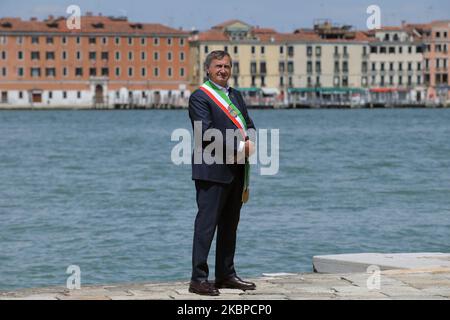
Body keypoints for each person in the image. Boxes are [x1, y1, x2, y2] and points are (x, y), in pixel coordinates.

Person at [188, 50, 256, 296]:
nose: (223, 70)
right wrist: (240, 146)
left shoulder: (236, 95)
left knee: (230, 225)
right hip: (211, 171)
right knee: (206, 226)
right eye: (218, 66)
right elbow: (204, 134)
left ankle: (226, 275)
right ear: (208, 69)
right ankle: (198, 279)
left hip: (237, 170)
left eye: (227, 66)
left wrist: (252, 141)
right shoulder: (200, 97)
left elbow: (248, 123)